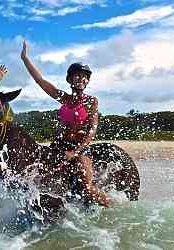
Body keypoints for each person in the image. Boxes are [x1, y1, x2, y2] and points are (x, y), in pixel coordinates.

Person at [20, 41, 112, 207]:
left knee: (87, 188)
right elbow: (40, 81)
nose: (81, 79)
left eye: (85, 76)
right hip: (59, 147)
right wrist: (25, 59)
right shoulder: (64, 98)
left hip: (79, 149)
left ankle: (113, 208)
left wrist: (75, 152)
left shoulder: (92, 101)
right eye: (77, 75)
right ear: (70, 79)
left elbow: (92, 131)